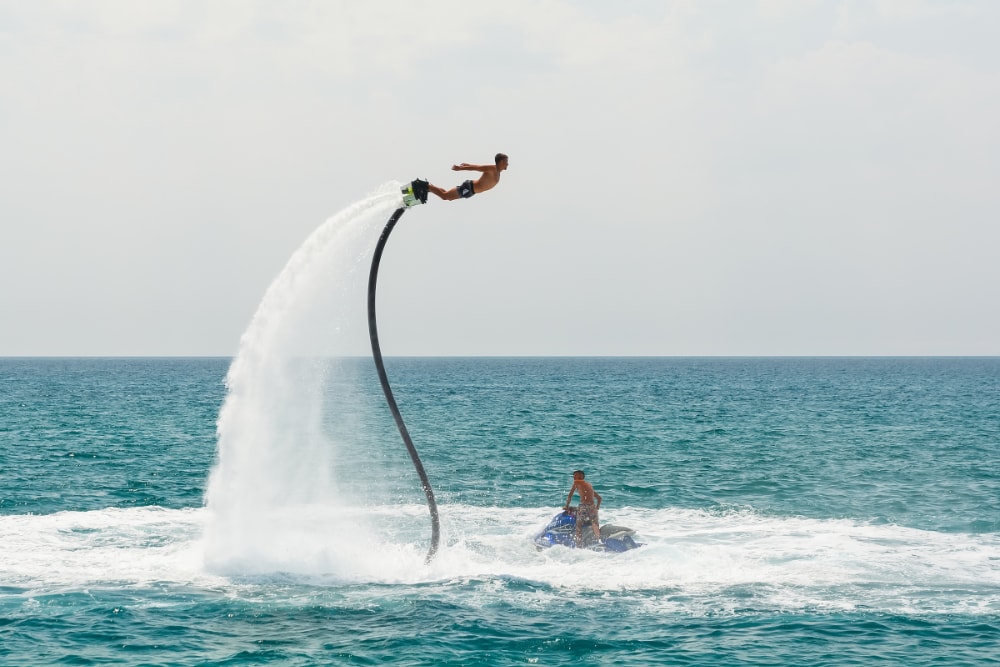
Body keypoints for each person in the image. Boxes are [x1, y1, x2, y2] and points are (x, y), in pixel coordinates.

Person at [427, 153, 509, 201]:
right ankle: (427, 186)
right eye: (506, 162)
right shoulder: (492, 169)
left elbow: (478, 166)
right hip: (469, 187)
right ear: (501, 161)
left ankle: (430, 188)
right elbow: (478, 168)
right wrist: (460, 168)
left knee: (446, 194)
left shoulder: (498, 173)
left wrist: (468, 165)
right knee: (445, 196)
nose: (507, 164)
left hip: (471, 191)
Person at [564, 469, 602, 544]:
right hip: (592, 507)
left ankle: (579, 544)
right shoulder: (589, 486)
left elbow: (570, 496)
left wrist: (567, 506)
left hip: (583, 506)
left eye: (575, 475)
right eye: (573, 476)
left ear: (581, 476)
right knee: (595, 524)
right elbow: (599, 498)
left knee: (578, 526)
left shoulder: (576, 483)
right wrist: (597, 508)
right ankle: (598, 541)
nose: (574, 477)